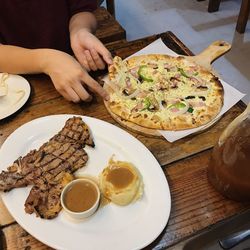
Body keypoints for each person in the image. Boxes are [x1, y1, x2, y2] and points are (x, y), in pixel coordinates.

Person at [0, 0, 112, 102]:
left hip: (74, 66)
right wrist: (46, 60)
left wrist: (80, 30)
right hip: (14, 84)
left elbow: (82, 10)